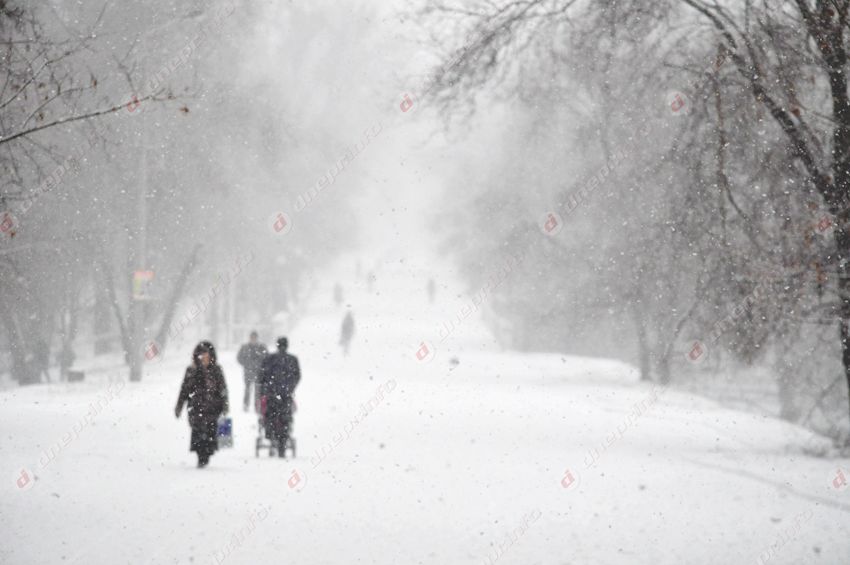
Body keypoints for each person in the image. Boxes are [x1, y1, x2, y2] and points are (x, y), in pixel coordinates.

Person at [175, 341, 229, 468]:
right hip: (196, 408)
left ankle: (207, 453)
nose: (203, 359)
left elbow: (223, 389)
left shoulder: (216, 370)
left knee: (210, 432)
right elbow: (184, 390)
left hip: (213, 408)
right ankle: (201, 455)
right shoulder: (191, 371)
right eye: (201, 356)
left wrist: (225, 405)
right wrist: (179, 406)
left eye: (206, 355)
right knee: (198, 432)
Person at [260, 337, 300, 457]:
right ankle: (282, 441)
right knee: (285, 418)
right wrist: (290, 387)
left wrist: (266, 389)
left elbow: (262, 376)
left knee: (270, 416)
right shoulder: (292, 360)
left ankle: (271, 436)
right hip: (286, 395)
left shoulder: (269, 359)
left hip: (272, 394)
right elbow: (297, 376)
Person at [237, 331, 267, 412]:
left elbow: (267, 358)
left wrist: (261, 366)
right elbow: (239, 358)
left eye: (255, 338)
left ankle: (257, 406)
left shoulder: (262, 347)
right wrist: (246, 364)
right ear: (249, 338)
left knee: (258, 390)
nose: (253, 339)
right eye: (252, 337)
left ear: (257, 338)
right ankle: (246, 405)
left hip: (259, 373)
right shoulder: (244, 347)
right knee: (247, 389)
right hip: (248, 372)